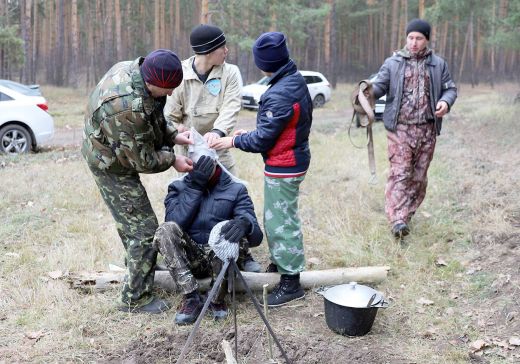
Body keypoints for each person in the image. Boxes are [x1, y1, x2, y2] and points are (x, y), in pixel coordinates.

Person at [82, 49, 194, 314]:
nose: (169, 96)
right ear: (153, 81)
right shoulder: (125, 106)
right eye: (167, 90)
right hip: (111, 165)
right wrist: (173, 160)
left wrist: (173, 135)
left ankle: (139, 268)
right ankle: (135, 298)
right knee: (143, 231)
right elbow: (142, 161)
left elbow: (152, 114)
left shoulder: (138, 72)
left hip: (119, 146)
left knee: (135, 225)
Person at [212, 32, 313, 307]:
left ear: (264, 62)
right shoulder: (291, 79)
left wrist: (232, 140)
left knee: (281, 222)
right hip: (289, 158)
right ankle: (283, 264)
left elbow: (263, 140)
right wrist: (255, 132)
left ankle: (291, 282)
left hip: (285, 164)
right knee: (278, 219)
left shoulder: (280, 92)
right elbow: (276, 129)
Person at [164, 24, 261, 273]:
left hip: (219, 146)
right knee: (193, 198)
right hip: (190, 150)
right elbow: (170, 115)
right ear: (208, 51)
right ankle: (191, 250)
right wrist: (178, 133)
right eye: (222, 47)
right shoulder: (181, 75)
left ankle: (243, 251)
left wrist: (218, 132)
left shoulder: (230, 73)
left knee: (233, 194)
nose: (227, 50)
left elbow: (231, 106)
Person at [153, 145, 263, 325]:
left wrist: (245, 224)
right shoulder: (178, 187)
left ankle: (216, 299)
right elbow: (174, 222)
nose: (200, 168)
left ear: (216, 163)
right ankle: (191, 298)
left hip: (219, 257)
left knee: (234, 231)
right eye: (195, 164)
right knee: (165, 229)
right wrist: (195, 186)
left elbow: (256, 238)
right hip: (191, 258)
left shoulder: (236, 189)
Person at [370, 19, 457, 238]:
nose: (414, 42)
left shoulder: (438, 64)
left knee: (418, 178)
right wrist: (366, 92)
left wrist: (445, 102)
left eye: (419, 38)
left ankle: (405, 216)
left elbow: (450, 89)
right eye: (411, 38)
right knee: (401, 173)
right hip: (400, 129)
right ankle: (397, 219)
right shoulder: (393, 63)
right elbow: (379, 86)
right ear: (406, 38)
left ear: (427, 39)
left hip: (427, 130)